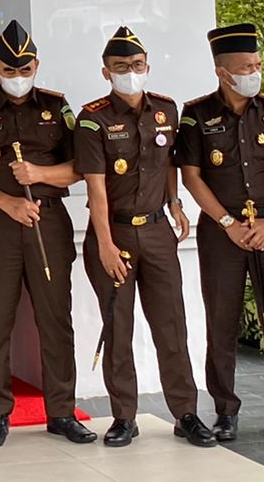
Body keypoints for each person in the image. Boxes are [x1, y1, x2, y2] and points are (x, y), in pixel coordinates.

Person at [0, 21, 95, 447]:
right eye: (9, 70)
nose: (18, 77)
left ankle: (61, 411)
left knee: (56, 319)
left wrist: (39, 174)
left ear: (36, 65)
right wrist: (7, 202)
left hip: (48, 221)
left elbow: (79, 166)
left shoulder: (57, 107)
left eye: (25, 69)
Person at [76, 26, 215, 449]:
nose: (130, 73)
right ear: (106, 72)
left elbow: (168, 163)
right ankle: (123, 416)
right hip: (114, 231)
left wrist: (175, 204)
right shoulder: (92, 118)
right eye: (121, 67)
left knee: (171, 325)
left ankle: (186, 413)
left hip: (157, 233)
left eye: (136, 66)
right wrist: (103, 244)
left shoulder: (166, 111)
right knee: (118, 328)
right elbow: (95, 189)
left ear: (147, 67)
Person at [177, 24, 264, 444]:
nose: (254, 72)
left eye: (256, 64)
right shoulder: (196, 114)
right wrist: (227, 224)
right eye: (246, 67)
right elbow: (192, 176)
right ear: (223, 72)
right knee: (221, 321)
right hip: (223, 234)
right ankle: (225, 411)